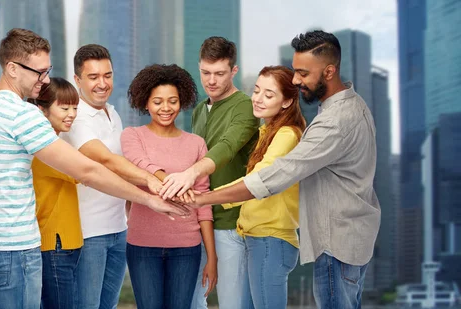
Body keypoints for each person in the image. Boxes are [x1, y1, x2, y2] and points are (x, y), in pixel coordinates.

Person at [0, 28, 187, 309]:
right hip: (17, 246)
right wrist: (149, 198)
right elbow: (88, 171)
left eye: (48, 71)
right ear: (12, 68)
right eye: (39, 72)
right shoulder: (23, 114)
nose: (45, 80)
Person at [192, 30, 381, 309]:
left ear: (329, 72)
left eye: (303, 73)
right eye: (294, 71)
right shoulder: (348, 108)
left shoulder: (330, 123)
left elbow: (270, 178)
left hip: (334, 242)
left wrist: (201, 198)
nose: (296, 80)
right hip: (346, 237)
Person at [60, 44, 176, 309]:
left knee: (108, 306)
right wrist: (151, 181)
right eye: (93, 77)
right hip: (88, 234)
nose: (102, 83)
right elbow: (106, 160)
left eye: (108, 75)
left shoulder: (112, 113)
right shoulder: (75, 117)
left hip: (118, 230)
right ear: (77, 80)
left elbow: (125, 166)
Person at [158, 36, 260, 309]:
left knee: (232, 304)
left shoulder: (246, 107)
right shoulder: (200, 110)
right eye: (205, 73)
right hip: (198, 222)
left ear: (233, 71)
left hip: (231, 224)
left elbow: (226, 148)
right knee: (191, 302)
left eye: (219, 73)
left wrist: (189, 174)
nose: (211, 80)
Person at [120, 64, 217, 309]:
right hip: (142, 246)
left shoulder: (196, 143)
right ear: (145, 103)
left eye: (172, 101)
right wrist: (175, 183)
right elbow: (140, 164)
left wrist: (212, 257)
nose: (166, 108)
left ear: (181, 101)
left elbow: (204, 202)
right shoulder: (133, 136)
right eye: (158, 101)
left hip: (187, 247)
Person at [214, 66, 306, 308]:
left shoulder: (287, 135)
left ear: (287, 102)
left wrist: (208, 197)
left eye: (269, 94)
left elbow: (259, 178)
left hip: (270, 240)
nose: (258, 99)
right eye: (256, 91)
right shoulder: (266, 133)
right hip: (256, 240)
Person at [27, 77, 81, 309]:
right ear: (42, 109)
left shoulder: (55, 144)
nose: (71, 114)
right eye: (64, 107)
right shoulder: (47, 149)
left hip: (65, 243)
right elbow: (87, 173)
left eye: (75, 108)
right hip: (54, 246)